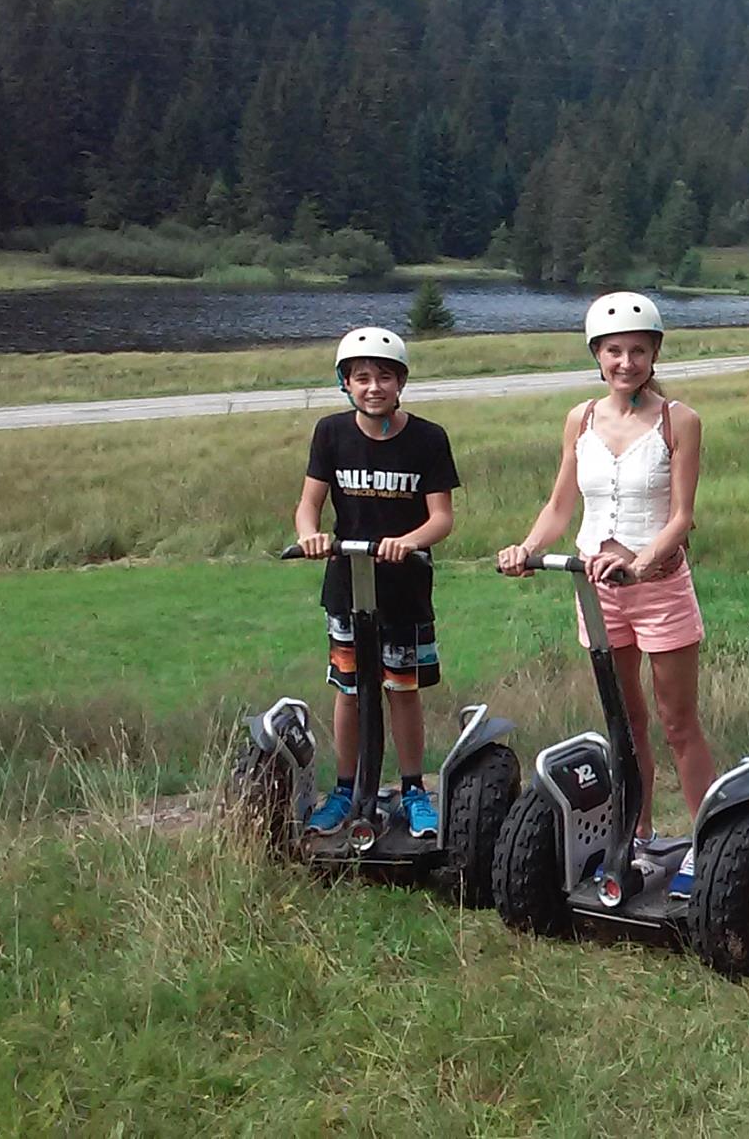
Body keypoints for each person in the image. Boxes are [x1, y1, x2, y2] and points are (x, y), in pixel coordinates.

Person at [497, 292, 713, 897]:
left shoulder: (680, 421)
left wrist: (640, 564)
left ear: (654, 354)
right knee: (625, 722)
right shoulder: (582, 418)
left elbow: (681, 517)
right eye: (614, 351)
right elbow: (561, 504)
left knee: (678, 721)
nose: (626, 362)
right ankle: (636, 833)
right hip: (596, 591)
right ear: (597, 355)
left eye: (637, 351)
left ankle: (705, 840)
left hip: (659, 587)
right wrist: (527, 546)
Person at [295, 326, 461, 838]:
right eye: (361, 378)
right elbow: (309, 504)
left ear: (401, 382)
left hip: (403, 589)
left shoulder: (428, 438)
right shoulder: (331, 433)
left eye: (384, 377)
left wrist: (409, 540)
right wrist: (310, 536)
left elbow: (442, 517)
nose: (373, 387)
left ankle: (413, 789)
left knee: (401, 689)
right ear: (345, 384)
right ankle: (346, 789)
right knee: (349, 689)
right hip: (347, 585)